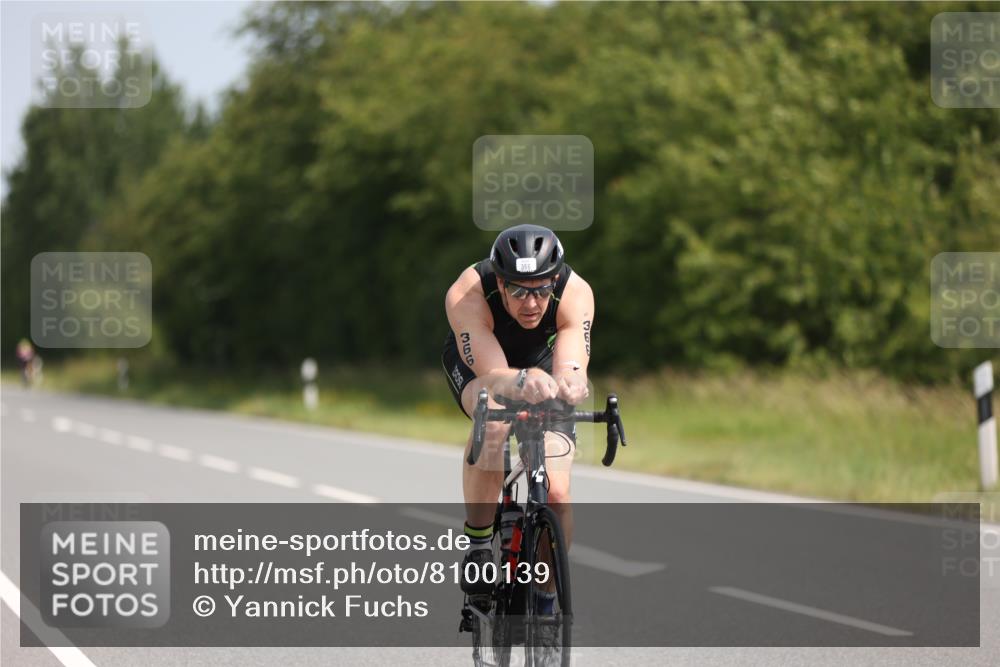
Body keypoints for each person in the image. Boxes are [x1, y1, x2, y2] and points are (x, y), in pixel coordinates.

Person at [442, 224, 594, 608]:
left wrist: (572, 382)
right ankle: (478, 546)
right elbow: (494, 377)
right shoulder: (468, 292)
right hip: (483, 366)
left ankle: (544, 597)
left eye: (542, 290)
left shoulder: (575, 291)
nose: (531, 303)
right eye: (518, 291)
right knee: (492, 415)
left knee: (557, 494)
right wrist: (524, 380)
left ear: (555, 280)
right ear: (501, 282)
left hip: (542, 365)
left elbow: (572, 362)